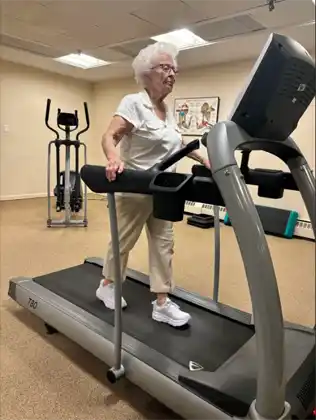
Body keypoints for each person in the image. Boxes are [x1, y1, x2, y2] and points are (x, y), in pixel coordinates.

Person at [96, 41, 211, 328]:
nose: (172, 73)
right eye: (165, 67)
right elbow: (110, 136)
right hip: (136, 187)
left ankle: (162, 302)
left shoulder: (166, 110)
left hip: (164, 189)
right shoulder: (134, 103)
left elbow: (179, 144)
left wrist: (207, 160)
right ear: (146, 73)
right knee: (123, 241)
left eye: (174, 68)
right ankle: (107, 284)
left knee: (164, 245)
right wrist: (112, 159)